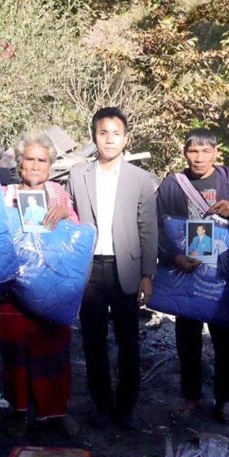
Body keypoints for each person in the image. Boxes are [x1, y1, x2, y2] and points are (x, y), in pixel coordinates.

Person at [68, 107, 159, 430]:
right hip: (90, 270)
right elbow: (71, 216)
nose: (109, 139)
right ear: (94, 136)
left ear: (126, 139)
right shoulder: (78, 175)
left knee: (128, 340)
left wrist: (148, 274)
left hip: (126, 269)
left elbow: (147, 228)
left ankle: (126, 407)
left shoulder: (140, 179)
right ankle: (101, 405)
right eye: (103, 133)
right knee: (93, 340)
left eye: (116, 134)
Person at [155, 128, 229, 423]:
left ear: (216, 153)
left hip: (221, 273)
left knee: (224, 339)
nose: (199, 158)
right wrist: (172, 256)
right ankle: (191, 396)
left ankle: (224, 400)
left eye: (205, 151)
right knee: (187, 337)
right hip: (185, 270)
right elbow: (155, 224)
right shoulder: (173, 185)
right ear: (185, 153)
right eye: (193, 151)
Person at [0, 133, 80, 437]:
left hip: (51, 286)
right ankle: (18, 410)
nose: (34, 165)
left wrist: (65, 215)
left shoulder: (59, 194)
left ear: (50, 166)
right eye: (29, 159)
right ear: (19, 163)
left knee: (53, 349)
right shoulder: (4, 195)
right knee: (14, 351)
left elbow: (76, 236)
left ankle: (54, 411)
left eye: (41, 160)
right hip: (12, 288)